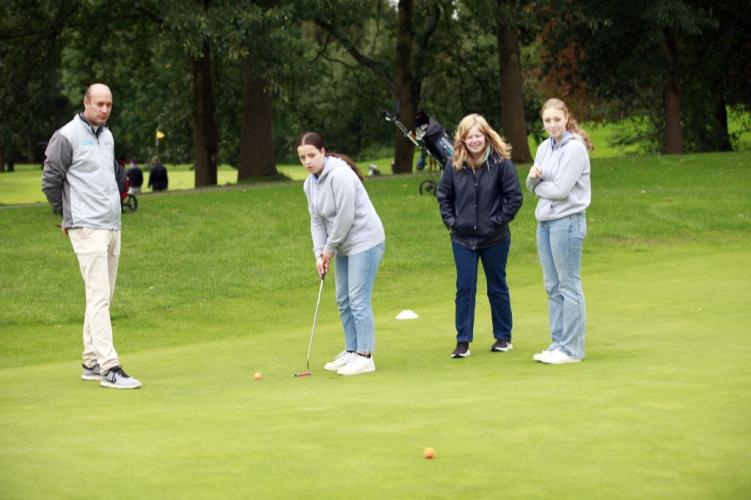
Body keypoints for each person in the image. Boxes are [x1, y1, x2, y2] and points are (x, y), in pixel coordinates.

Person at [41, 83, 142, 389]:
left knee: (103, 297)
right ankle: (110, 367)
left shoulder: (107, 135)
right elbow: (50, 180)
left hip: (112, 225)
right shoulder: (67, 136)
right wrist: (67, 215)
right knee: (98, 297)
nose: (104, 109)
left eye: (108, 104)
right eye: (99, 103)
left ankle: (91, 361)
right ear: (85, 103)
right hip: (87, 227)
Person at [297, 131, 386, 376]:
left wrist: (329, 249)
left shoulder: (340, 175)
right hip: (343, 245)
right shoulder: (309, 184)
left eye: (311, 155)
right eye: (302, 158)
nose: (307, 162)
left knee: (357, 299)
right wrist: (319, 253)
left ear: (322, 152)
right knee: (343, 299)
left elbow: (345, 217)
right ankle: (352, 350)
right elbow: (316, 221)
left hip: (365, 240)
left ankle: (365, 356)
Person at [437, 114, 523, 358]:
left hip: (495, 238)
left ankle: (503, 337)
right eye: (469, 136)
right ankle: (462, 342)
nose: (474, 140)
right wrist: (452, 222)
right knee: (464, 288)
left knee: (497, 286)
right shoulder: (453, 164)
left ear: (486, 136)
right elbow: (444, 197)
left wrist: (495, 222)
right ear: (462, 139)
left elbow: (514, 198)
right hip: (462, 238)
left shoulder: (501, 163)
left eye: (478, 135)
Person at [526, 98, 592, 365]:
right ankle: (557, 344)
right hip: (545, 222)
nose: (552, 124)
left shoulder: (575, 148)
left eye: (556, 119)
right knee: (552, 286)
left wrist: (539, 185)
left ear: (566, 118)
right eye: (547, 120)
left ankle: (572, 349)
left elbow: (561, 190)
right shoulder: (544, 147)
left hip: (567, 222)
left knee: (568, 285)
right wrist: (536, 181)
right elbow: (530, 183)